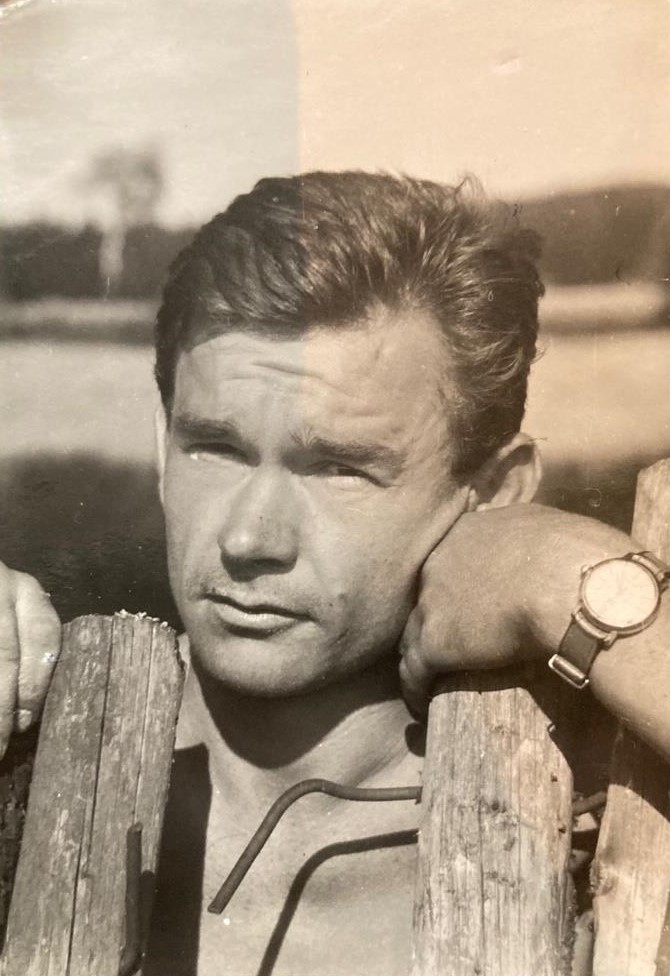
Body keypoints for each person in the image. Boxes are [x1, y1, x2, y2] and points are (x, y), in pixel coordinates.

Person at [0, 171, 668, 975]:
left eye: (339, 468)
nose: (249, 537)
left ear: (495, 493)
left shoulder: (600, 837)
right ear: (162, 447)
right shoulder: (28, 764)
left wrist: (575, 582)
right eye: (215, 447)